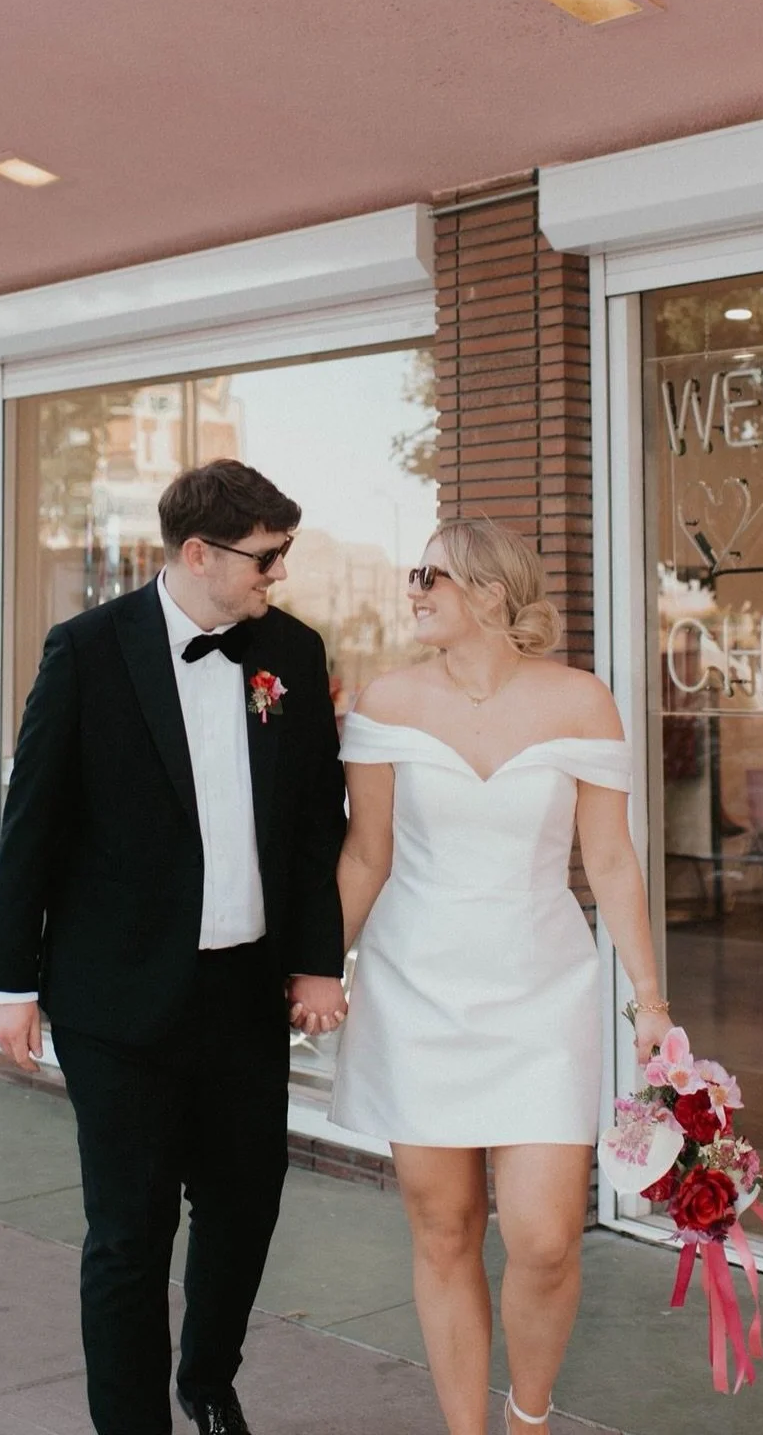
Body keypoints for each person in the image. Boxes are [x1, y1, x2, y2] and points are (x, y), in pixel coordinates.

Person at [0, 461, 348, 1435]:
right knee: (131, 1233)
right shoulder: (89, 651)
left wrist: (320, 959)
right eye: (267, 558)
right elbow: (35, 827)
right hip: (117, 997)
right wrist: (8, 981)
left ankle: (209, 1378)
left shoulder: (292, 656)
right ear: (199, 553)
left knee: (245, 1206)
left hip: (244, 993)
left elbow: (318, 822)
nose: (278, 574)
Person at [288, 518, 669, 1435]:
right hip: (414, 988)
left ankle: (529, 1418)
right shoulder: (386, 701)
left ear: (493, 592)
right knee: (445, 1228)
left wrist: (649, 1001)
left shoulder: (581, 701)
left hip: (543, 989)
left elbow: (611, 860)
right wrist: (319, 968)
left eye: (433, 576)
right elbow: (365, 856)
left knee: (543, 1237)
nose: (413, 588)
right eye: (415, 572)